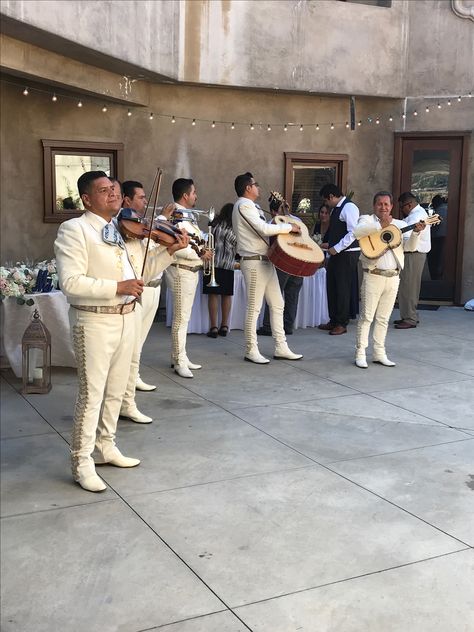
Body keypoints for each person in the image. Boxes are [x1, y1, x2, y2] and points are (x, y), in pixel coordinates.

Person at [54, 171, 188, 492]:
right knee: (92, 394)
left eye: (114, 189)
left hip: (127, 316)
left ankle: (106, 446)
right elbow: (70, 283)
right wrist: (117, 287)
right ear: (87, 199)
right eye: (104, 191)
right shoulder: (74, 229)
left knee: (116, 389)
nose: (113, 194)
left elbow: (140, 273)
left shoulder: (119, 229)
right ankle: (81, 461)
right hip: (95, 320)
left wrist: (168, 252)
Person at [232, 172, 303, 364]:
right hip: (254, 261)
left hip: (265, 259)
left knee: (278, 304)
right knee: (254, 308)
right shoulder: (244, 205)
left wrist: (282, 219)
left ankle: (281, 346)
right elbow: (263, 229)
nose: (258, 188)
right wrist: (288, 228)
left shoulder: (251, 206)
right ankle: (251, 349)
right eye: (255, 184)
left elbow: (266, 227)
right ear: (248, 188)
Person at [353, 191, 425, 368]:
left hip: (393, 277)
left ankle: (379, 352)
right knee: (367, 317)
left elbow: (409, 247)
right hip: (373, 275)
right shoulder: (366, 220)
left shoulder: (400, 224)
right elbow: (357, 232)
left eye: (387, 204)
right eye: (380, 204)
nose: (383, 207)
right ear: (374, 206)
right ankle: (360, 352)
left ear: (392, 207)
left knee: (383, 318)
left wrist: (415, 233)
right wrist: (381, 227)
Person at [165, 178, 212, 378]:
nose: (196, 196)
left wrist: (203, 248)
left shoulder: (186, 215)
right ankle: (178, 360)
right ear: (185, 195)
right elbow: (176, 246)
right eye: (194, 192)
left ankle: (181, 355)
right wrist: (201, 254)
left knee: (184, 317)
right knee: (181, 319)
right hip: (180, 271)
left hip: (190, 271)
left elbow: (194, 239)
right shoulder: (176, 216)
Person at [257, 195, 303, 336]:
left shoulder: (272, 224)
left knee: (274, 294)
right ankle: (288, 325)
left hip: (282, 263)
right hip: (298, 262)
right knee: (292, 295)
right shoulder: (297, 221)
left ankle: (268, 326)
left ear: (272, 211)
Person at [318, 183, 360, 335]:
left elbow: (353, 232)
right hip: (336, 253)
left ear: (331, 196)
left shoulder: (349, 207)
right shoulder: (337, 209)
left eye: (326, 201)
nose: (326, 205)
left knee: (342, 288)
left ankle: (342, 323)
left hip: (347, 253)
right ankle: (334, 319)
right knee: (332, 286)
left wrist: (336, 248)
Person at [394, 191, 431, 329]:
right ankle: (409, 315)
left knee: (409, 287)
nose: (401, 210)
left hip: (413, 253)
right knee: (409, 286)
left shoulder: (417, 216)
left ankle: (410, 318)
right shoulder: (418, 213)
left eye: (402, 207)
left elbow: (407, 237)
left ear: (408, 205)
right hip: (413, 254)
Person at [203, 203, 237, 338]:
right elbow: (238, 245)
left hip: (213, 264)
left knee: (213, 296)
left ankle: (213, 327)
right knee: (226, 296)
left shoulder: (215, 225)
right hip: (228, 265)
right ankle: (224, 325)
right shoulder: (234, 228)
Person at [427, 194, 447, 281]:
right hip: (445, 236)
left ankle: (435, 276)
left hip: (438, 238)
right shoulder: (448, 209)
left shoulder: (439, 211)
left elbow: (432, 226)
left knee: (436, 258)